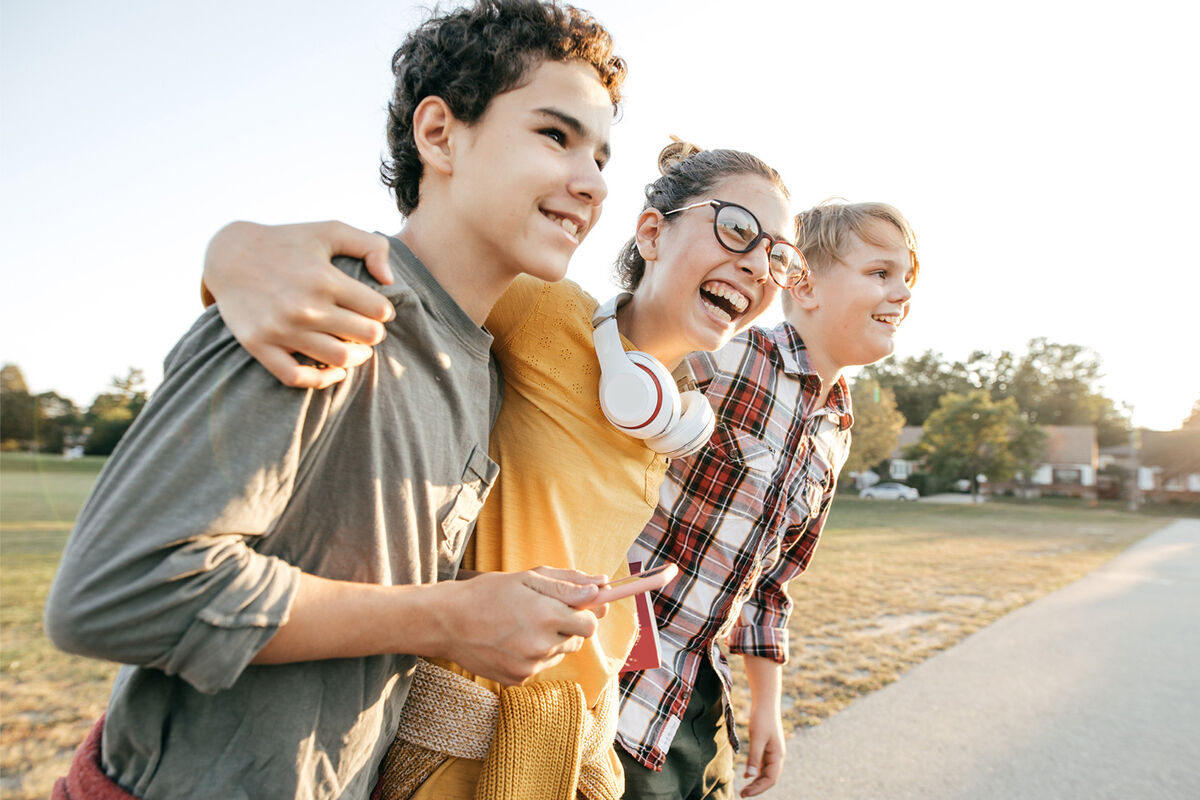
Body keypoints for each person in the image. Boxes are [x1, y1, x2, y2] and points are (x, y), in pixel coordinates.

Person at [43, 2, 627, 798]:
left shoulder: (485, 367)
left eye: (601, 154)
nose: (591, 182)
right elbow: (112, 592)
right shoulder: (323, 305)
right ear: (439, 133)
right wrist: (449, 616)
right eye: (555, 136)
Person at [200, 141, 801, 800]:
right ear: (653, 232)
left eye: (776, 254)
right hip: (455, 750)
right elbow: (397, 262)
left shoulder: (674, 414)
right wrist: (233, 251)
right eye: (737, 229)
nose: (755, 265)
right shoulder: (547, 311)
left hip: (573, 751)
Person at [616, 200, 919, 799]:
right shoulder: (724, 358)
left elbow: (772, 586)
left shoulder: (836, 431)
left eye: (908, 279)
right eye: (881, 273)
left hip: (704, 704)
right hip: (622, 692)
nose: (902, 293)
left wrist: (767, 710)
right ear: (802, 282)